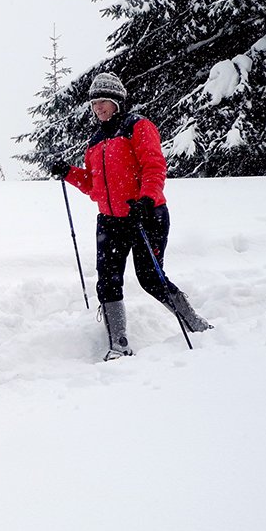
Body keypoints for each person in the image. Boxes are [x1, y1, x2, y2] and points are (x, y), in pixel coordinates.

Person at [50, 72, 212, 361]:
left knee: (150, 278)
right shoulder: (95, 141)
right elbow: (94, 186)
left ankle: (195, 324)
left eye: (103, 101)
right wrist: (69, 173)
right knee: (107, 281)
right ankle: (119, 344)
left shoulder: (137, 126)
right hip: (111, 221)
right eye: (94, 103)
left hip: (146, 214)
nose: (98, 107)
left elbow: (153, 165)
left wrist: (147, 199)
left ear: (117, 101)